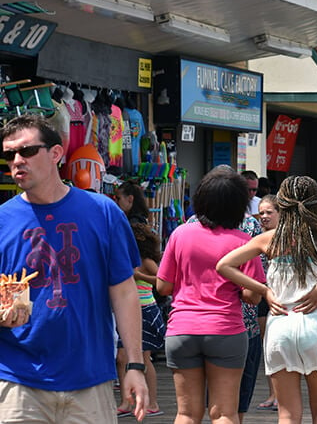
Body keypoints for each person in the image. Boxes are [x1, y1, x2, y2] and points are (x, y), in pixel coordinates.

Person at [0, 114, 148, 422]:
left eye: (26, 151)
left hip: (89, 378)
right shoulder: (2, 220)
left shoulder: (103, 211)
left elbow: (123, 292)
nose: (16, 161)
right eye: (8, 154)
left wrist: (134, 365)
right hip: (17, 380)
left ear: (56, 154)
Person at [216, 175, 317, 424]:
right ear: (316, 204)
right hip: (315, 325)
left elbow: (224, 265)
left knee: (287, 414)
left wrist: (264, 291)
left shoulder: (270, 239)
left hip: (279, 325)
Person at [156, 165, 266, 424]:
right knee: (224, 413)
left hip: (181, 329)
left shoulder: (180, 234)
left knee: (186, 413)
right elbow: (252, 296)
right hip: (225, 330)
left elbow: (162, 287)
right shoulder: (243, 243)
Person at [115, 223, 166, 418]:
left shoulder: (145, 261)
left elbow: (163, 280)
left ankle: (152, 402)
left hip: (146, 310)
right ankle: (125, 402)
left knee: (144, 358)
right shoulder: (125, 259)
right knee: (121, 358)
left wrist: (139, 275)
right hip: (127, 311)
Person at [255, 195, 280, 412]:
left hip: (280, 297)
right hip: (260, 295)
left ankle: (280, 394)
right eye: (261, 213)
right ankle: (273, 393)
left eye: (269, 212)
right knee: (267, 347)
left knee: (277, 345)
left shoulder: (285, 238)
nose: (264, 217)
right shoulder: (257, 236)